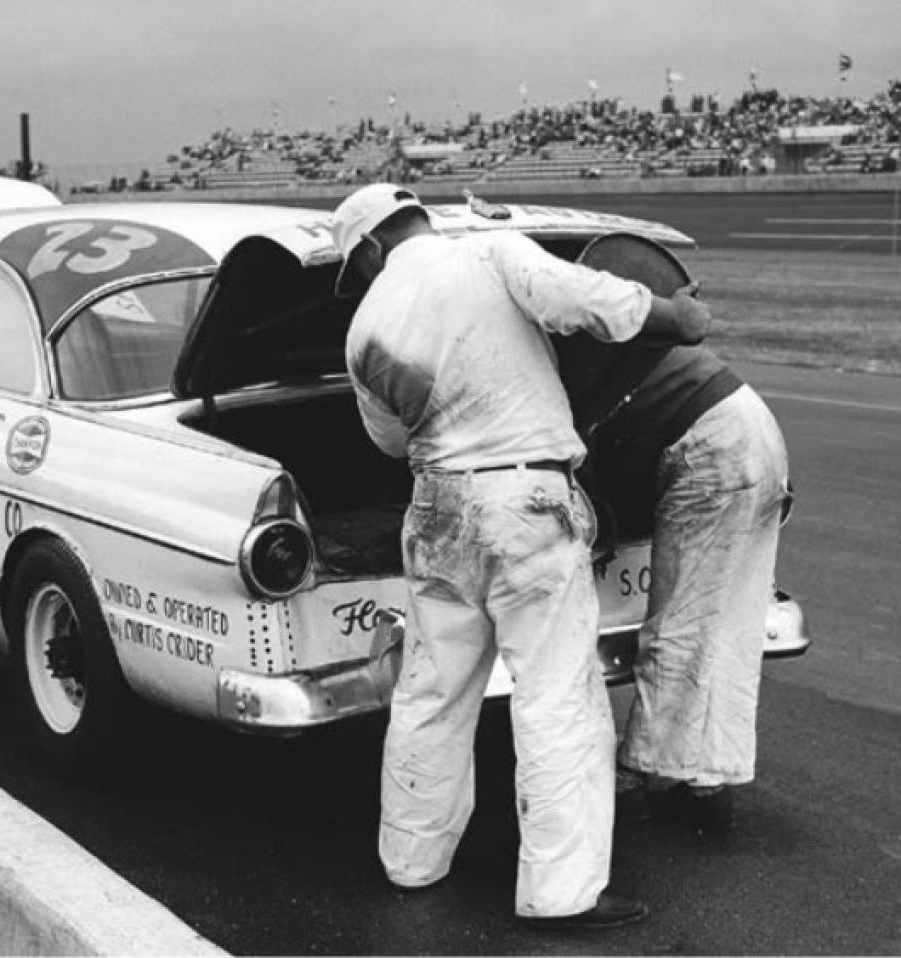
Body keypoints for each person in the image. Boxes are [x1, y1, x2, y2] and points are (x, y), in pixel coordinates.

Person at [330, 184, 710, 929]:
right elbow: (589, 301)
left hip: (435, 509)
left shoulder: (363, 328)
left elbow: (389, 442)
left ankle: (412, 861)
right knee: (556, 696)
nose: (362, 276)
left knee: (430, 694)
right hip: (525, 503)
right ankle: (561, 893)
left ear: (371, 246)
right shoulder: (488, 254)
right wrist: (678, 316)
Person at [582, 344, 789, 834]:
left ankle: (641, 774)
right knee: (730, 624)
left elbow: (582, 460)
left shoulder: (566, 356)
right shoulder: (625, 336)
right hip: (756, 430)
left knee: (679, 624)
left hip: (710, 449)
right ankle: (706, 780)